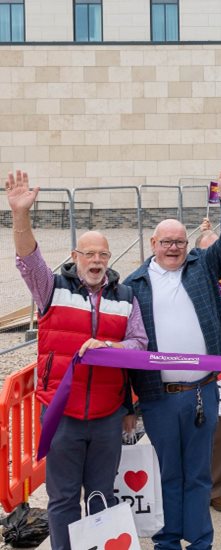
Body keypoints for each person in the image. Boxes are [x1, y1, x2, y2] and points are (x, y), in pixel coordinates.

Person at [7, 169, 147, 550]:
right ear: (75, 257)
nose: (97, 260)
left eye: (103, 254)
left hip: (106, 419)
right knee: (63, 499)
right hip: (62, 416)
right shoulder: (50, 289)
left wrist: (113, 349)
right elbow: (28, 259)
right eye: (89, 254)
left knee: (102, 498)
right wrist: (21, 214)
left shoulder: (126, 296)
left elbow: (139, 345)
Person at [124, 167, 221, 550]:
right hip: (158, 397)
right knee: (167, 473)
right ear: (153, 243)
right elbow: (126, 346)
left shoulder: (202, 267)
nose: (174, 247)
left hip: (201, 392)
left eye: (179, 241)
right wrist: (128, 403)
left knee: (198, 474)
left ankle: (201, 540)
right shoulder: (132, 285)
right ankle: (167, 541)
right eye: (166, 242)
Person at [194, 225, 221, 513]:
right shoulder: (185, 278)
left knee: (217, 427)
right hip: (185, 361)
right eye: (207, 249)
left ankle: (217, 487)